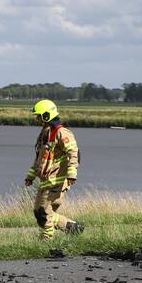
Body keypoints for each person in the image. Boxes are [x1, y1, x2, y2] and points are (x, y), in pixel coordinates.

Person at [25, 100, 83, 240]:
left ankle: (47, 240)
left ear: (46, 115)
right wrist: (31, 176)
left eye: (38, 116)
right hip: (47, 180)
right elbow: (40, 158)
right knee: (40, 212)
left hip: (57, 180)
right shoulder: (46, 132)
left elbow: (73, 152)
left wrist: (72, 173)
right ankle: (72, 227)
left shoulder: (62, 132)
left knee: (43, 212)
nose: (37, 119)